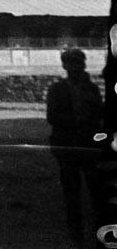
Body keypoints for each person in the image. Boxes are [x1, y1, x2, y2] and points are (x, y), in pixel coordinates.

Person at [47, 47, 103, 248]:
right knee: (72, 192)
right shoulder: (57, 89)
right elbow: (52, 117)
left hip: (88, 147)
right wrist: (76, 120)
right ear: (65, 66)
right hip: (67, 146)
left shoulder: (92, 89)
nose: (76, 68)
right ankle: (76, 233)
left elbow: (99, 116)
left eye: (79, 63)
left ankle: (100, 232)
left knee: (96, 192)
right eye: (71, 64)